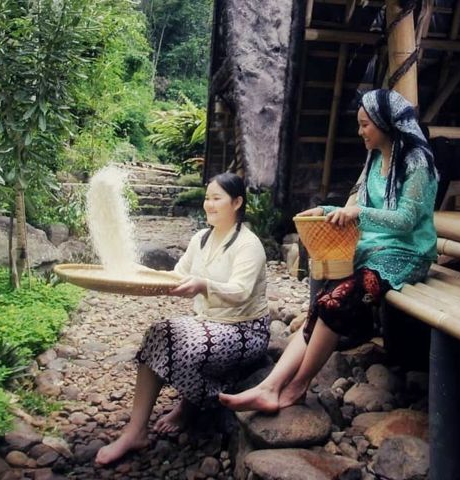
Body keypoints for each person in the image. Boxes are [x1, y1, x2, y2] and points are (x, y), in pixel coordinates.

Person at [219, 89, 438, 413]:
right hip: (374, 250)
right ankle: (269, 386)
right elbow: (359, 208)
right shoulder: (376, 158)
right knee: (324, 304)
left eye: (366, 125)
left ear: (385, 123)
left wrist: (357, 214)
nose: (361, 131)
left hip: (406, 255)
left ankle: (296, 387)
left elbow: (406, 221)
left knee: (335, 301)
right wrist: (324, 210)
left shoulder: (416, 162)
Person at [96, 172, 270, 465]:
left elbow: (240, 292)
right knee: (157, 333)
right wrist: (139, 275)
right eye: (207, 198)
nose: (209, 205)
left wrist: (203, 285)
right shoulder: (200, 239)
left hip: (245, 329)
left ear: (237, 202)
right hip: (209, 323)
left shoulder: (248, 244)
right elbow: (178, 274)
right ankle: (135, 430)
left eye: (217, 198)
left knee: (185, 349)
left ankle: (197, 405)